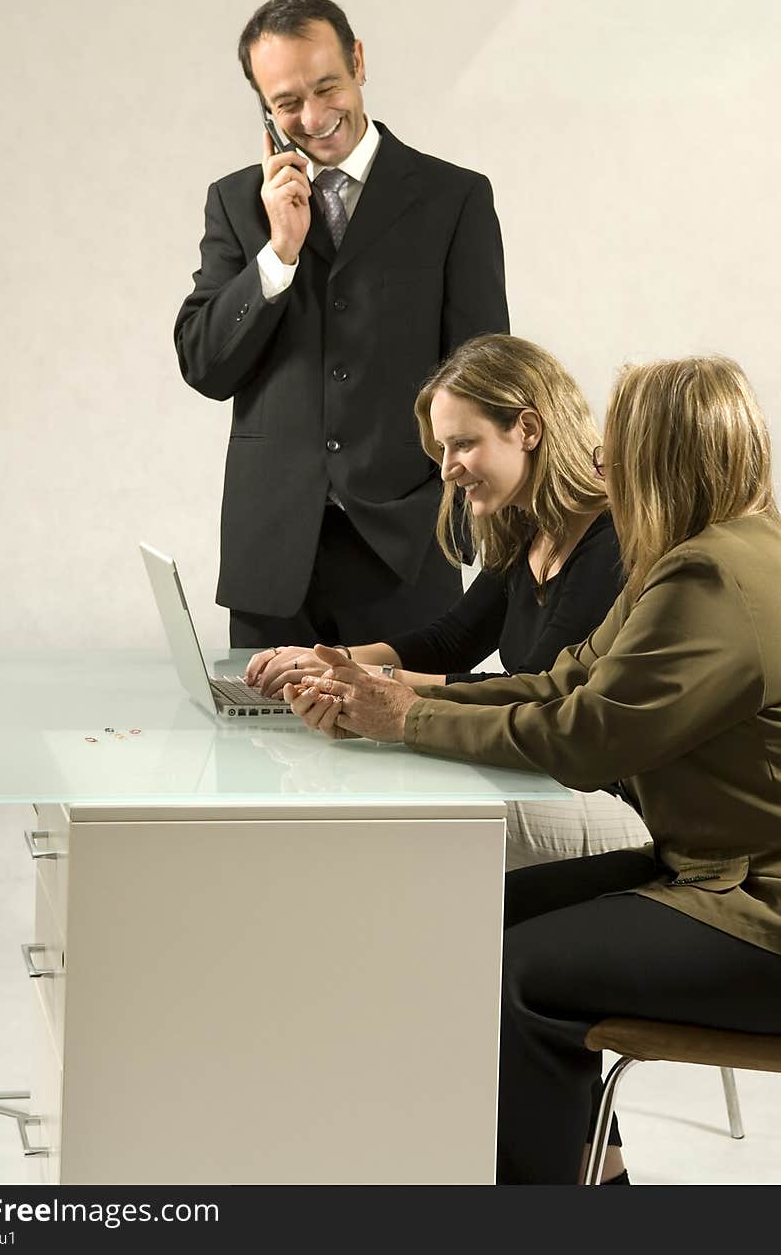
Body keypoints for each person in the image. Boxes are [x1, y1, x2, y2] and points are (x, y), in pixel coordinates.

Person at [288, 355, 781, 1184]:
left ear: (659, 458)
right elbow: (564, 679)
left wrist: (405, 717)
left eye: (613, 452)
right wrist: (388, 697)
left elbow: (584, 738)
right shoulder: (699, 556)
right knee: (470, 921)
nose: (599, 468)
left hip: (756, 907)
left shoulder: (708, 579)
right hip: (714, 874)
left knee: (512, 969)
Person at [173, 0, 509, 649]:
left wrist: (466, 524)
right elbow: (204, 364)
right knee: (261, 748)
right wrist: (278, 253)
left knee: (407, 745)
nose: (314, 116)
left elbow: (487, 377)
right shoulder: (238, 204)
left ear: (358, 60)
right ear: (265, 110)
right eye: (287, 103)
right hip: (271, 560)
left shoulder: (454, 198)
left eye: (327, 86)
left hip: (407, 551)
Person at [244, 335, 650, 867]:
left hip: (610, 802)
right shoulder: (531, 535)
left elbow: (533, 692)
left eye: (462, 444)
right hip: (542, 779)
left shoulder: (610, 541)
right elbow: (451, 641)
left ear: (527, 430)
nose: (446, 471)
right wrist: (328, 660)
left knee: (396, 797)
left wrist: (380, 691)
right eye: (442, 450)